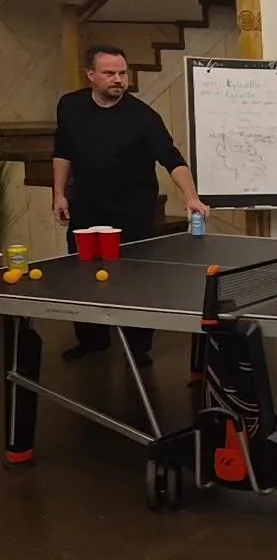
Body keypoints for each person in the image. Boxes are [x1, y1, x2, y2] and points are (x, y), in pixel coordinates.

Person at [52, 44, 211, 367]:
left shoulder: (143, 117)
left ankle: (138, 347)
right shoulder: (70, 106)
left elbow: (172, 159)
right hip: (87, 206)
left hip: (133, 209)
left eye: (123, 73)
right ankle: (92, 340)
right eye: (110, 73)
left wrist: (191, 196)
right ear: (91, 75)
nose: (119, 79)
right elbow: (62, 152)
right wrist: (59, 194)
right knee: (83, 274)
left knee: (137, 278)